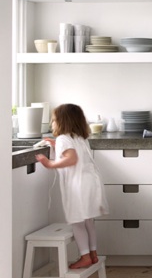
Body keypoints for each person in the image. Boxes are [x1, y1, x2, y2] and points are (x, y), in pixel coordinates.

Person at [36, 103, 109, 269]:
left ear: (63, 121)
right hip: (91, 183)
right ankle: (93, 254)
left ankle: (84, 257)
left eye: (53, 120)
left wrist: (50, 163)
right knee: (88, 220)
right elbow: (74, 154)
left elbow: (71, 159)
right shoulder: (79, 138)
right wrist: (56, 146)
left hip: (78, 186)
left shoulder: (63, 139)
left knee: (76, 221)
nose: (51, 124)